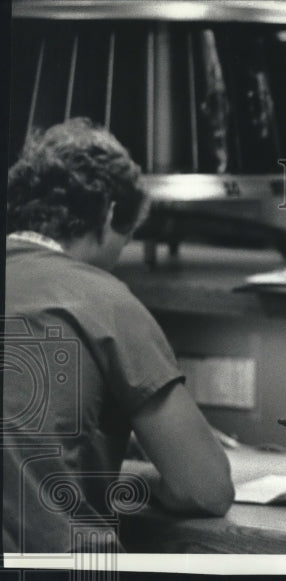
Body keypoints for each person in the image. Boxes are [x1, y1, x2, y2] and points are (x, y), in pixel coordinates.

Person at [3, 118, 235, 553]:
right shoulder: (104, 300)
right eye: (126, 239)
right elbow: (205, 489)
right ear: (110, 213)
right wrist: (149, 479)